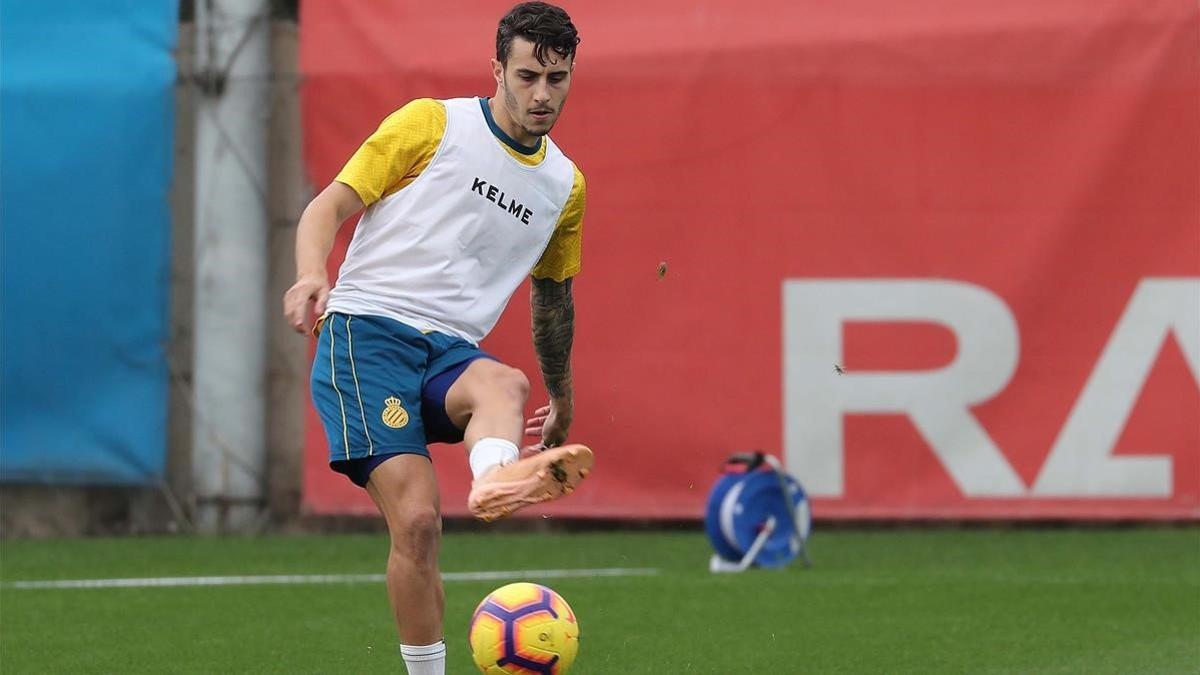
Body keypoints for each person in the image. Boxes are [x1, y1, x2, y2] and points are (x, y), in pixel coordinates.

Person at [281, 3, 591, 673]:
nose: (542, 94)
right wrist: (311, 273)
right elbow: (328, 204)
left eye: (556, 78)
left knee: (506, 382)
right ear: (497, 70)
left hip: (449, 351)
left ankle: (493, 480)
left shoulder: (564, 186)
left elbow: (553, 297)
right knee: (419, 523)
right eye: (528, 75)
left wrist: (560, 396)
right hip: (366, 335)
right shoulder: (432, 124)